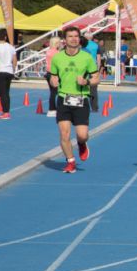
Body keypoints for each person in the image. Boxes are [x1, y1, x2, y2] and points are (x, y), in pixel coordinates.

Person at [49, 26, 100, 174]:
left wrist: (87, 82)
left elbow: (96, 77)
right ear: (65, 40)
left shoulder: (86, 58)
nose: (74, 39)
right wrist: (54, 82)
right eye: (70, 36)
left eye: (76, 36)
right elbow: (53, 76)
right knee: (64, 134)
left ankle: (81, 143)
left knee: (82, 134)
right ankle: (70, 161)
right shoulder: (57, 57)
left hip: (81, 99)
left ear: (79, 39)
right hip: (64, 98)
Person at [0, 30, 16, 118]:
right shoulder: (11, 47)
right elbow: (14, 60)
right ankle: (6, 111)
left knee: (2, 93)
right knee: (6, 92)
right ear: (5, 37)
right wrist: (13, 69)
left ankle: (6, 112)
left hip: (0, 71)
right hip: (9, 71)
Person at [44, 35, 62, 116]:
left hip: (48, 73)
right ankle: (53, 109)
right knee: (55, 92)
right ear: (56, 43)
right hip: (54, 74)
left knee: (52, 92)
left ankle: (52, 109)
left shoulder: (48, 51)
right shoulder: (57, 53)